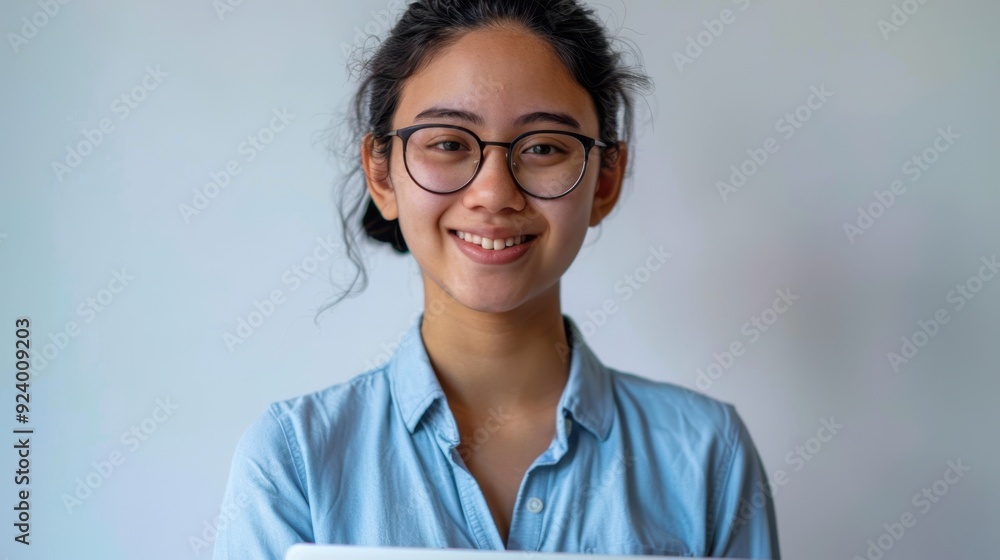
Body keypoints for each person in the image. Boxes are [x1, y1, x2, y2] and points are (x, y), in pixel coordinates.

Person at [213, 1, 780, 558]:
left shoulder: (707, 453)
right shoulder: (295, 459)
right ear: (382, 176)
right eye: (449, 143)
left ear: (605, 181)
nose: (494, 193)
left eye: (542, 148)